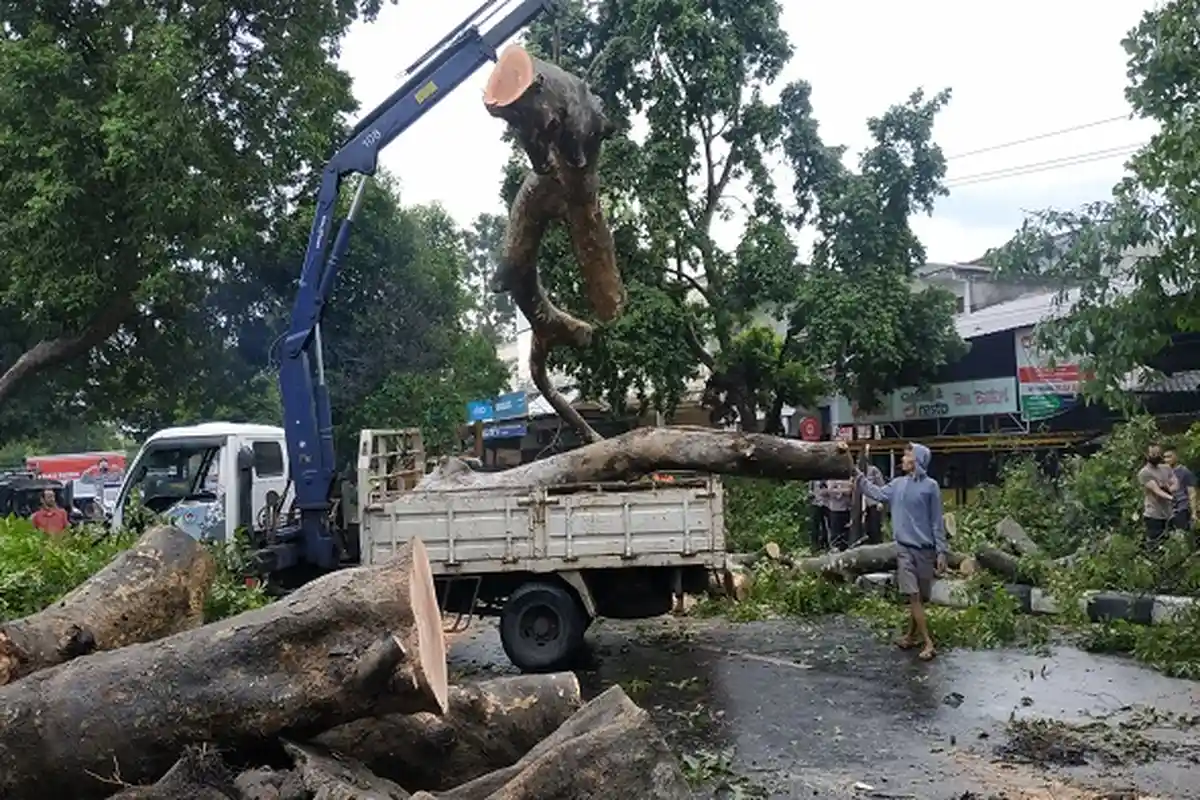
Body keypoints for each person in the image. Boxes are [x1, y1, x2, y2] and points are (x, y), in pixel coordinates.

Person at [856, 443, 947, 662]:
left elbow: (936, 521)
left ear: (917, 460)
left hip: (925, 551)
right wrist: (855, 473)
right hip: (904, 549)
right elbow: (875, 492)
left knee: (920, 598)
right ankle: (928, 642)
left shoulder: (930, 487)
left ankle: (909, 636)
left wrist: (942, 551)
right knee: (913, 596)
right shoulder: (897, 484)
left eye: (907, 454)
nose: (903, 457)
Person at [1137, 444, 1176, 550]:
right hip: (1154, 514)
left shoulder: (1166, 468)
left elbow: (1175, 483)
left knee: (1171, 544)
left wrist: (1170, 488)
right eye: (1153, 454)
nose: (1156, 456)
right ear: (1147, 454)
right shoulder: (1144, 473)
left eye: (1158, 453)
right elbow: (1156, 490)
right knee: (1155, 545)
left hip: (1169, 513)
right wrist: (1171, 498)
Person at [1163, 448, 1197, 533]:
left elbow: (1192, 492)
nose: (1167, 460)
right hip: (1167, 509)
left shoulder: (1184, 472)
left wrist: (1194, 512)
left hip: (1182, 507)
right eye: (1165, 457)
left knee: (1181, 533)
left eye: (1169, 457)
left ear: (1176, 456)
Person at [824, 478, 853, 551]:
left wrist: (841, 488)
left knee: (847, 532)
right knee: (836, 533)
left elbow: (852, 488)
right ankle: (836, 549)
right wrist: (843, 491)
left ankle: (846, 549)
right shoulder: (832, 477)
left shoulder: (849, 477)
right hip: (836, 509)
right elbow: (829, 491)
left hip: (848, 508)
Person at [862, 462, 887, 544]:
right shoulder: (855, 471)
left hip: (873, 503)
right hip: (860, 505)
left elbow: (881, 485)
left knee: (874, 527)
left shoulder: (873, 470)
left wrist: (880, 502)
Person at [808, 480, 828, 551]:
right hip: (815, 503)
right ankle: (814, 545)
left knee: (826, 525)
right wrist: (811, 494)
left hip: (827, 504)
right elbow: (810, 491)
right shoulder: (813, 480)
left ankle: (826, 544)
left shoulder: (827, 477)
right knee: (814, 525)